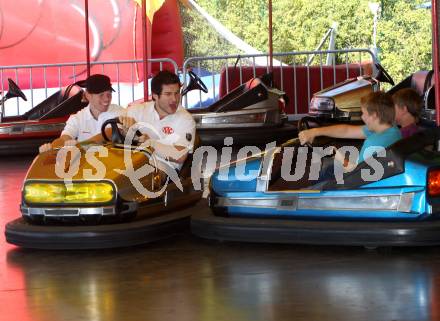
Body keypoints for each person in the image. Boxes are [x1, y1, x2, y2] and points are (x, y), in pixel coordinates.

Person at [299, 91, 402, 175]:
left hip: (360, 184)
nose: (362, 117)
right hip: (380, 173)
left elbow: (354, 173)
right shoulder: (393, 130)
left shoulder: (372, 143)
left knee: (321, 175)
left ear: (374, 115)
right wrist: (315, 131)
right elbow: (346, 130)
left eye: (364, 114)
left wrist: (336, 154)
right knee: (328, 168)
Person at [119, 70, 196, 170]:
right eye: (168, 94)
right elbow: (111, 131)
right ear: (155, 95)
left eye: (177, 93)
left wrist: (151, 143)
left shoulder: (186, 119)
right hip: (133, 161)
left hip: (164, 168)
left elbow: (180, 156)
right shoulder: (136, 111)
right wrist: (125, 128)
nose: (174, 99)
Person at [39, 74, 124, 153]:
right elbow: (64, 138)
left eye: (109, 94)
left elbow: (109, 133)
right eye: (101, 95)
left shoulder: (119, 112)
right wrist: (50, 148)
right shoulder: (77, 118)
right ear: (88, 95)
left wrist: (80, 145)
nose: (106, 99)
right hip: (86, 165)